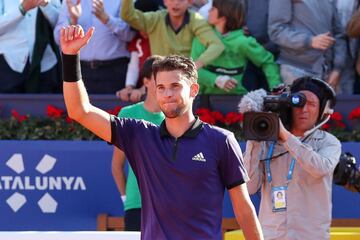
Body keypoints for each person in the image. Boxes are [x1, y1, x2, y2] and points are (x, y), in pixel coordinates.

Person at [60, 25, 263, 239]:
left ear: (193, 89)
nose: (167, 94)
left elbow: (244, 210)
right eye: (161, 88)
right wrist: (70, 57)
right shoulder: (139, 135)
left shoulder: (221, 140)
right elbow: (80, 111)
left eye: (175, 86)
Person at [244, 77, 341, 239]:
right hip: (271, 235)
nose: (304, 109)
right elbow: (248, 188)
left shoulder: (329, 142)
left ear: (322, 110)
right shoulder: (267, 142)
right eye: (298, 103)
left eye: (311, 104)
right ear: (289, 106)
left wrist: (285, 136)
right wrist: (254, 140)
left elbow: (320, 168)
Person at [112, 55, 165, 231]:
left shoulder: (177, 118)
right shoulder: (127, 114)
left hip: (170, 207)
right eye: (159, 80)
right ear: (146, 82)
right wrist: (127, 199)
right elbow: (117, 165)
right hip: (136, 206)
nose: (163, 86)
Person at [191, 0, 280, 95]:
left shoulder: (243, 42)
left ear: (224, 13)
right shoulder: (202, 38)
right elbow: (191, 69)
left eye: (213, 8)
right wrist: (216, 79)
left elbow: (267, 61)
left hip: (237, 100)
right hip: (204, 101)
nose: (208, 11)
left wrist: (276, 89)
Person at [54, 0, 134, 94]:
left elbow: (130, 35)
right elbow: (58, 39)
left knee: (113, 108)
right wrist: (73, 21)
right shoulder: (71, 1)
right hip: (80, 70)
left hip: (115, 70)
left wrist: (107, 19)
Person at [120, 0, 224, 69]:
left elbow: (217, 45)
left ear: (190, 2)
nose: (175, 3)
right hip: (159, 79)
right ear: (165, 1)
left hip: (185, 80)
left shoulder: (196, 20)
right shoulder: (155, 18)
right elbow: (127, 15)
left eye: (180, 0)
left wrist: (196, 65)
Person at [268, 0, 347, 88]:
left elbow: (338, 34)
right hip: (296, 70)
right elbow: (276, 31)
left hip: (326, 72)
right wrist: (309, 41)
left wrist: (337, 68)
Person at [0, 0, 61, 93]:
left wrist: (45, 5)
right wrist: (22, 9)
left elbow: (61, 25)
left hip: (45, 63)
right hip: (9, 62)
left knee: (43, 106)